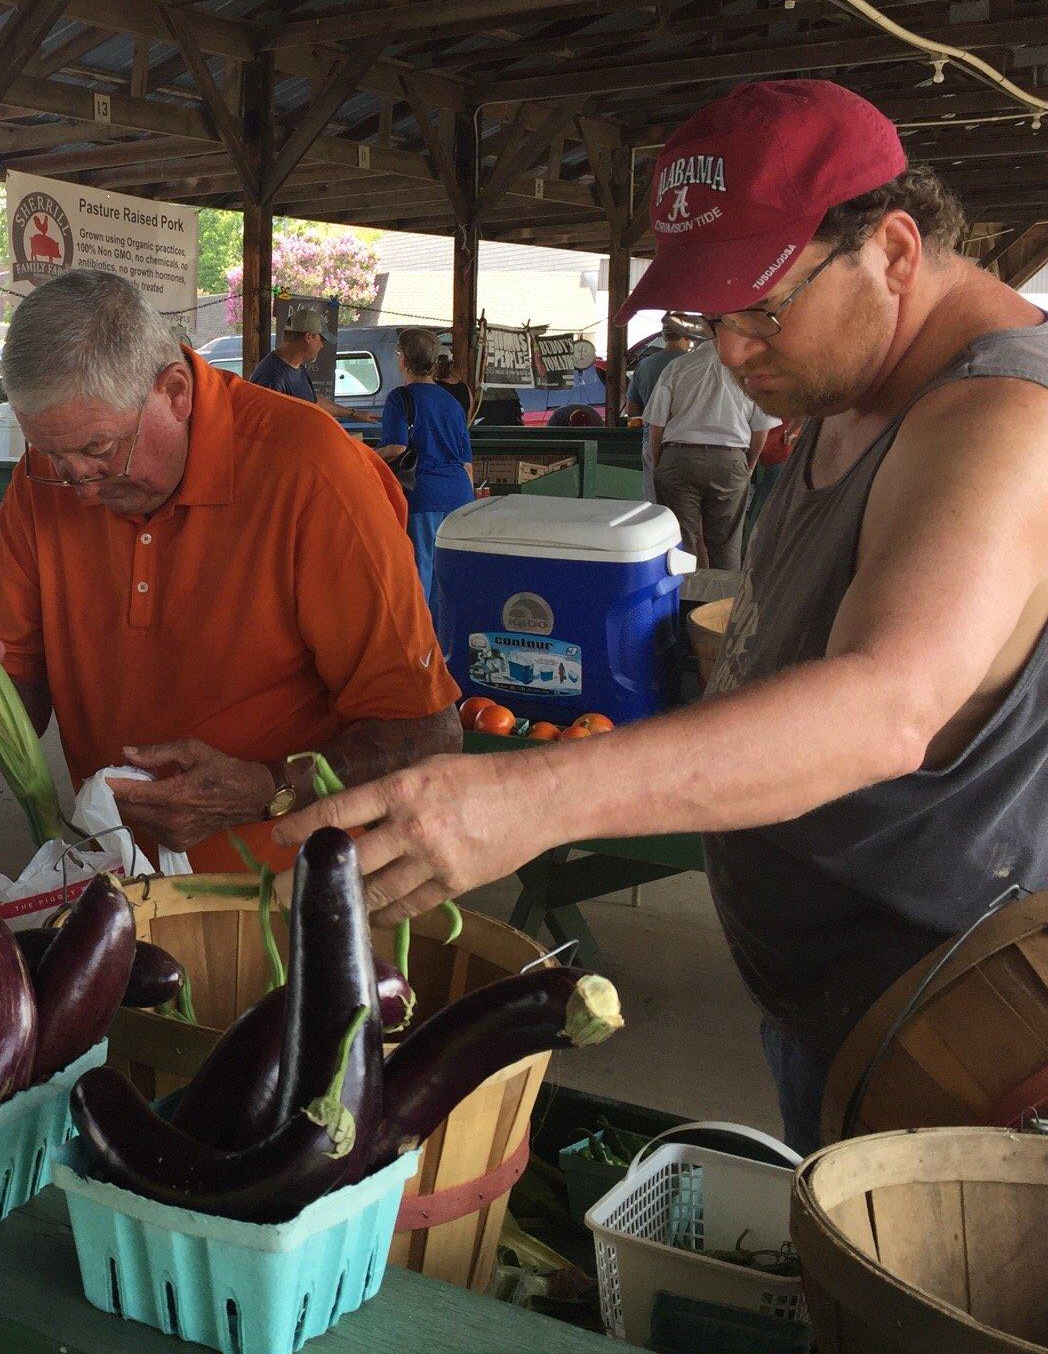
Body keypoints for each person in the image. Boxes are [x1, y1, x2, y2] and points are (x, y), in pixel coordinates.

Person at [275, 79, 1048, 1153]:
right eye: (707, 318)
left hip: (963, 1049)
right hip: (839, 1014)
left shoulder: (999, 416)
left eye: (762, 310)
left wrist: (537, 801)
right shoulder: (843, 387)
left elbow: (885, 705)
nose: (729, 353)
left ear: (895, 252)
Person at [0, 268, 459, 873]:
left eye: (99, 450)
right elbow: (24, 696)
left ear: (176, 392)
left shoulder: (313, 473)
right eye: (52, 455)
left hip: (298, 893)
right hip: (119, 887)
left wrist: (267, 789)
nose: (81, 486)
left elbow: (425, 733)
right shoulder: (43, 484)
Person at [377, 327, 475, 653]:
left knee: (420, 575)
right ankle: (447, 651)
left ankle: (420, 653)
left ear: (403, 359)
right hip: (459, 498)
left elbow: (394, 447)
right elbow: (466, 463)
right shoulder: (451, 402)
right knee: (449, 580)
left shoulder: (400, 398)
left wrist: (359, 456)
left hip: (424, 496)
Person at [645, 335, 779, 569]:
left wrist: (659, 462)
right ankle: (721, 603)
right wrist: (748, 464)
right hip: (731, 459)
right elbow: (761, 429)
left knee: (681, 542)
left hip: (679, 458)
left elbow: (657, 424)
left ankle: (685, 601)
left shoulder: (677, 366)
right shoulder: (747, 371)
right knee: (726, 542)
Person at [625, 318, 698, 500]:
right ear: (687, 336)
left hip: (651, 439)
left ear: (664, 337)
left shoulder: (644, 365)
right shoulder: (693, 365)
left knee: (655, 500)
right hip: (687, 442)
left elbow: (633, 410)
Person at [247, 303, 348, 419]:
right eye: (321, 339)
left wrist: (353, 413)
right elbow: (269, 430)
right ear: (308, 337)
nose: (321, 346)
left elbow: (312, 402)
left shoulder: (296, 367)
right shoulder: (272, 379)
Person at [433, 354, 475, 420]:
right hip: (461, 429)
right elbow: (468, 417)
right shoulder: (465, 387)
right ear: (451, 365)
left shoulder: (434, 388)